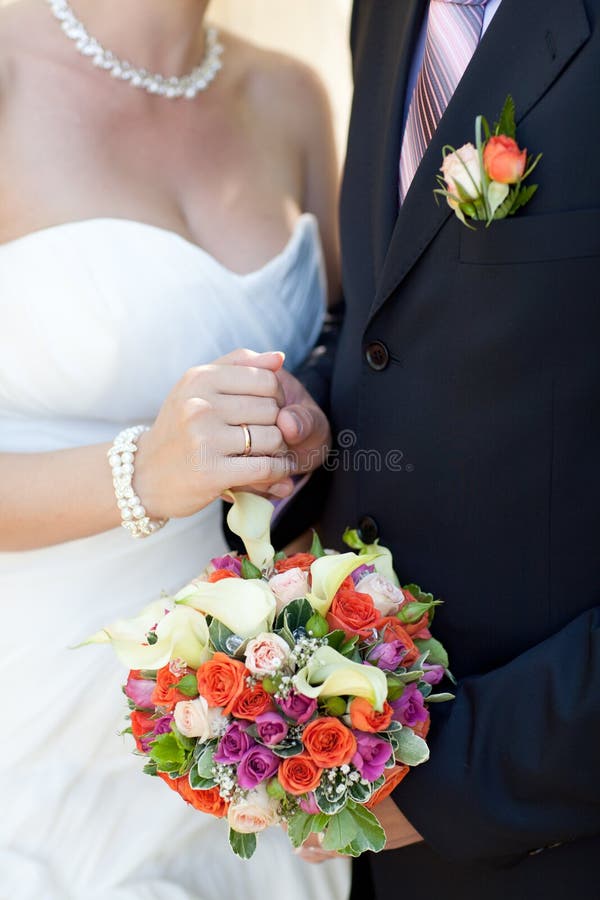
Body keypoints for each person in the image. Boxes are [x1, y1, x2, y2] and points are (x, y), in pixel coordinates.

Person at [0, 1, 350, 897]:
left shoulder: (290, 97)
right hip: (40, 715)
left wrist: (311, 420)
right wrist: (143, 475)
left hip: (250, 727)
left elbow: (351, 358)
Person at [275, 0, 600, 895]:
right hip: (368, 808)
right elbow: (397, 311)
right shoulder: (385, 14)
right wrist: (302, 415)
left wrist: (462, 775)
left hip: (550, 820)